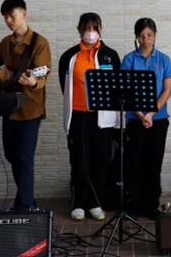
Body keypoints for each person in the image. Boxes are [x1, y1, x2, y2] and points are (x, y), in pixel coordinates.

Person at [0, 0, 51, 211]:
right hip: (9, 106)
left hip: (30, 108)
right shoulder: (6, 42)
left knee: (24, 157)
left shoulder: (39, 43)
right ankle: (28, 199)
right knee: (12, 155)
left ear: (24, 14)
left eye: (12, 16)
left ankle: (24, 206)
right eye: (5, 17)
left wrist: (34, 81)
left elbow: (43, 74)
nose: (8, 20)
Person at [58, 12, 121, 221]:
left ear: (100, 29)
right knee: (79, 161)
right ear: (79, 30)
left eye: (94, 28)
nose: (90, 33)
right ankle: (79, 203)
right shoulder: (69, 56)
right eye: (86, 28)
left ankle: (96, 203)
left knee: (101, 161)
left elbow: (117, 86)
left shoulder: (110, 55)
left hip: (103, 118)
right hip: (78, 115)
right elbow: (64, 85)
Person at [121, 18, 171, 219]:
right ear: (136, 37)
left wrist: (150, 113)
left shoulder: (164, 59)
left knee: (154, 163)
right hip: (135, 120)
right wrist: (141, 115)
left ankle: (152, 205)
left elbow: (167, 91)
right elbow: (125, 90)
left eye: (149, 35)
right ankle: (134, 205)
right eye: (142, 36)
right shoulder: (129, 59)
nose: (146, 40)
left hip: (158, 120)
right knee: (135, 163)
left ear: (155, 35)